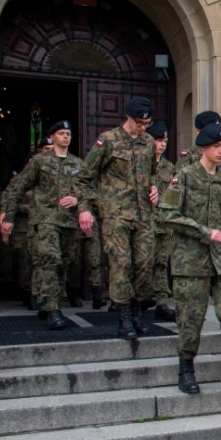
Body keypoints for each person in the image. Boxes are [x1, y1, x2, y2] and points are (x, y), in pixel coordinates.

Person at [161, 123, 221, 396]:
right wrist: (206, 233)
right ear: (203, 148)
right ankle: (186, 371)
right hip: (190, 263)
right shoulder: (183, 177)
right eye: (217, 146)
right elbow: (167, 214)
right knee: (190, 319)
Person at [77, 97, 159, 340]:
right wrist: (84, 207)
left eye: (147, 123)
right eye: (140, 123)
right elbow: (84, 177)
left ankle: (136, 310)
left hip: (143, 214)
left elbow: (152, 174)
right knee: (121, 263)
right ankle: (125, 318)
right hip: (115, 214)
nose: (144, 127)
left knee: (144, 263)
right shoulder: (108, 141)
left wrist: (154, 188)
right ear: (128, 118)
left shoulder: (149, 143)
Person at [0, 121, 83, 330]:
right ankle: (53, 309)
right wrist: (7, 217)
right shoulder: (40, 161)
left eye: (68, 133)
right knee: (50, 260)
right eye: (61, 133)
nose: (66, 137)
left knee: (63, 264)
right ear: (52, 137)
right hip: (45, 220)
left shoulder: (78, 164)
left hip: (69, 223)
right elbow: (17, 188)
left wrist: (78, 201)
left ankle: (47, 301)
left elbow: (89, 191)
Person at [0, 137, 52, 310]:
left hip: (45, 226)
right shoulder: (21, 181)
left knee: (46, 261)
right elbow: (8, 199)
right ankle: (29, 294)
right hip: (24, 228)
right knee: (26, 262)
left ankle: (47, 295)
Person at [149, 122, 177, 321]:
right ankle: (131, 299)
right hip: (145, 221)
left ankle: (160, 303)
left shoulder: (169, 167)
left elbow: (176, 195)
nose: (162, 144)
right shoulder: (140, 164)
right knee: (142, 262)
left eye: (165, 141)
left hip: (163, 222)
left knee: (160, 263)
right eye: (159, 140)